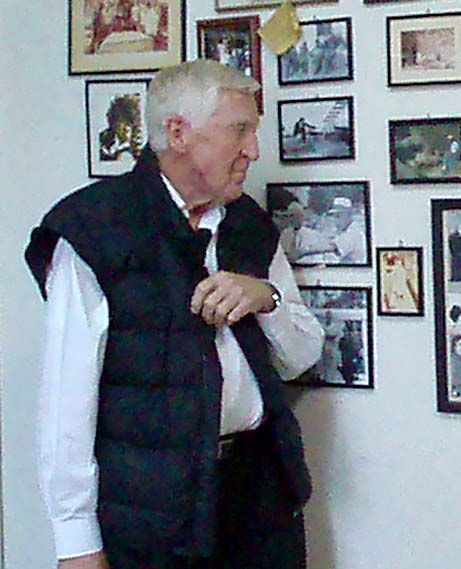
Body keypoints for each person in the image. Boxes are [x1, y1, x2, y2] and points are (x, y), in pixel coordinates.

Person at [24, 59, 325, 569]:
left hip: (256, 500)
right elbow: (65, 401)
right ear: (179, 133)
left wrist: (265, 298)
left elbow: (300, 357)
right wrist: (76, 543)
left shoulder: (248, 225)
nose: (253, 150)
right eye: (240, 130)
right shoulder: (96, 228)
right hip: (151, 515)